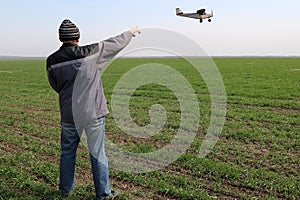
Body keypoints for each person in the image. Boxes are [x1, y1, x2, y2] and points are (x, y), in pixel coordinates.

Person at [46, 19, 140, 200]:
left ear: (61, 39)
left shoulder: (52, 61)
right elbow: (113, 43)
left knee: (67, 152)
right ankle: (103, 195)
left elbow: (56, 85)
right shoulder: (91, 53)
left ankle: (65, 191)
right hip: (93, 113)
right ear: (78, 38)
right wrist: (130, 33)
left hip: (68, 114)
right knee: (97, 153)